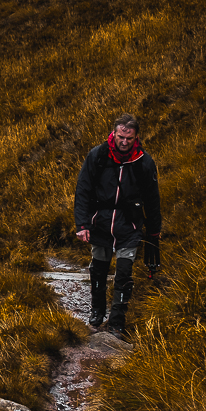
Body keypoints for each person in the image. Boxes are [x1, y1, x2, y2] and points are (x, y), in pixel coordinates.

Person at [73, 114, 161, 336]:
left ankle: (117, 322)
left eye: (129, 138)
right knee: (99, 270)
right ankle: (97, 311)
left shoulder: (144, 162)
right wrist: (82, 224)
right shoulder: (98, 156)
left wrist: (154, 231)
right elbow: (82, 190)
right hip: (100, 223)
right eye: (121, 137)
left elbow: (152, 199)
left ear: (136, 137)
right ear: (114, 134)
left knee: (124, 273)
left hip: (129, 225)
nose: (124, 142)